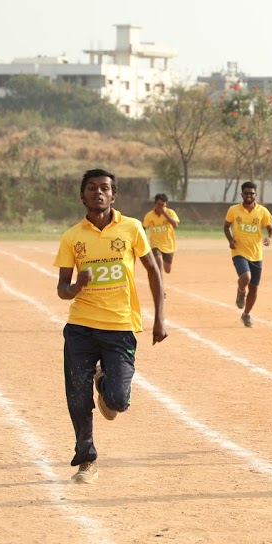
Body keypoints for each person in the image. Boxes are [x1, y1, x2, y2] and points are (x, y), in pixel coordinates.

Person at [54, 168, 168, 484]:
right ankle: (86, 459)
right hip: (81, 327)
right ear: (83, 195)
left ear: (113, 196)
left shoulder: (131, 229)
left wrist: (160, 316)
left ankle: (105, 382)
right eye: (92, 188)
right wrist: (76, 287)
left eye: (104, 188)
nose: (98, 192)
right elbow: (62, 288)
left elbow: (154, 271)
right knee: (77, 394)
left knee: (118, 401)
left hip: (120, 327)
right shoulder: (72, 237)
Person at [224, 181, 272, 328]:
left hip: (256, 254)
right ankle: (241, 291)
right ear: (242, 194)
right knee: (245, 277)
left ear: (255, 194)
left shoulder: (262, 211)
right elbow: (226, 226)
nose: (249, 195)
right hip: (239, 251)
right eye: (246, 193)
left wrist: (269, 239)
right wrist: (230, 240)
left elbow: (271, 230)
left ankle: (246, 314)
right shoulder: (233, 210)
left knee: (254, 288)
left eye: (251, 193)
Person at [142, 193, 180, 274]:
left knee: (167, 270)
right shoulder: (149, 215)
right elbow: (144, 227)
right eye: (158, 205)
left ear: (166, 205)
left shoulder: (170, 212)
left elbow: (175, 225)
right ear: (155, 204)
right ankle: (159, 284)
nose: (160, 207)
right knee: (158, 261)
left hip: (168, 244)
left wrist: (164, 213)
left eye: (163, 205)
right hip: (155, 243)